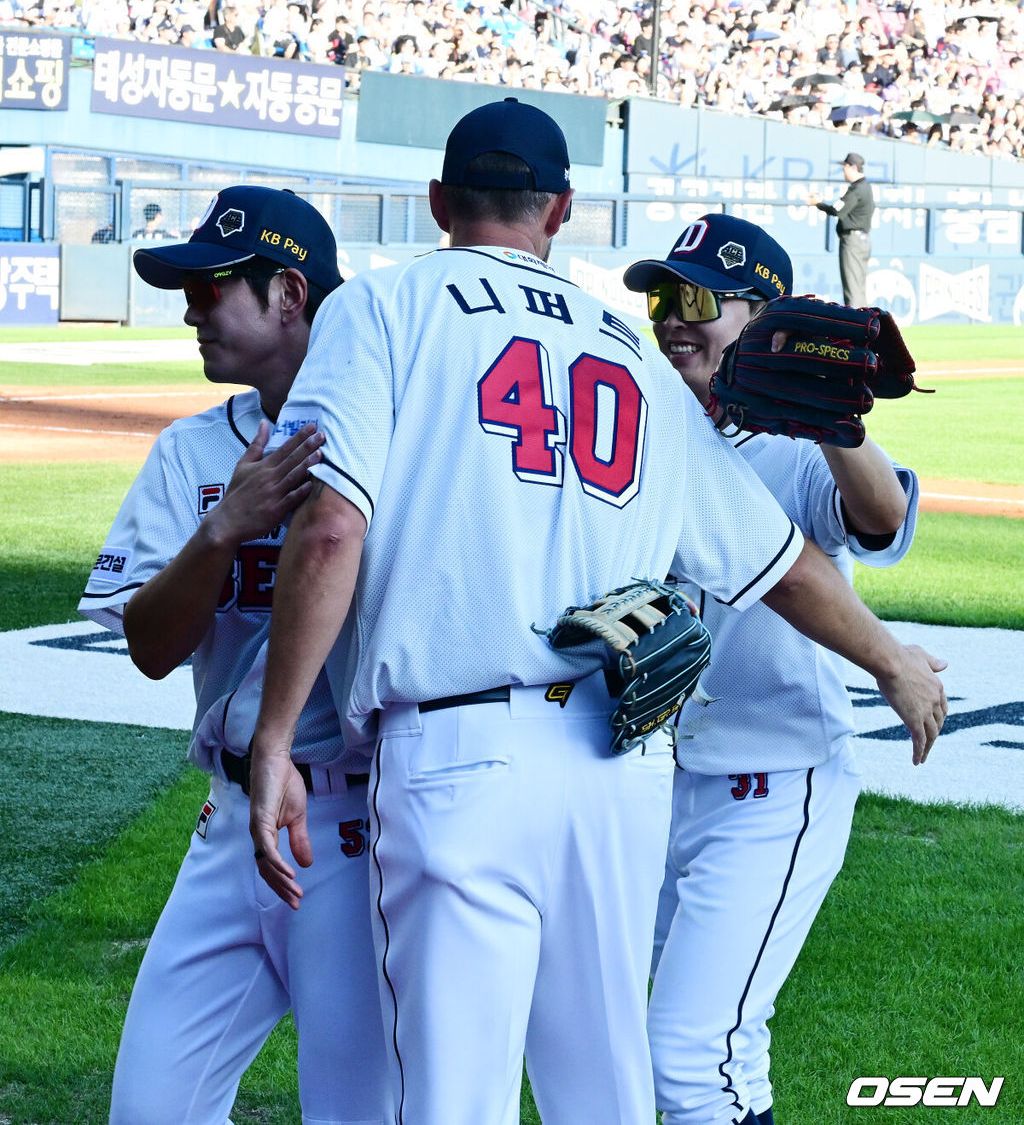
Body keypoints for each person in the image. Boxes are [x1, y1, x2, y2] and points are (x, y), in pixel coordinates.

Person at [245, 99, 945, 1125]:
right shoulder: (624, 348)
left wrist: (272, 736)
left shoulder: (387, 305)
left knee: (453, 1098)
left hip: (458, 758)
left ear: (440, 200)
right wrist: (890, 662)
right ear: (561, 210)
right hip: (620, 774)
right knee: (606, 1093)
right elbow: (782, 566)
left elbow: (331, 530)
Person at [78, 186, 391, 1125]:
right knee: (151, 1110)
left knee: (356, 1114)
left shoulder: (397, 437)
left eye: (211, 288)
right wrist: (223, 531)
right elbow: (147, 647)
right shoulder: (190, 451)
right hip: (227, 822)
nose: (188, 309)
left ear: (288, 293)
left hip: (362, 828)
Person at [624, 213, 921, 1125]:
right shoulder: (646, 429)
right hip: (663, 787)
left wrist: (834, 418)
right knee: (689, 1048)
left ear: (765, 319)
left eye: (700, 299)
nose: (676, 318)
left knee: (688, 1057)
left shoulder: (797, 444)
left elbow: (875, 519)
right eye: (665, 296)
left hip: (775, 785)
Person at [807, 152, 875, 307]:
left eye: (845, 167)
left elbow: (837, 210)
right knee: (858, 288)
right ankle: (866, 326)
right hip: (862, 239)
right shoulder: (866, 187)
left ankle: (858, 328)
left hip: (854, 241)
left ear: (852, 167)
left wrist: (818, 203)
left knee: (853, 288)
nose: (843, 171)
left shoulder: (857, 189)